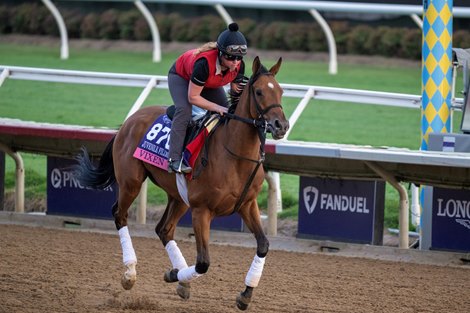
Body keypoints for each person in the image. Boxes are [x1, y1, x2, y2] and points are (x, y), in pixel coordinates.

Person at [167, 22, 248, 173]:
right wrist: (217, 107)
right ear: (221, 53)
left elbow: (235, 92)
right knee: (185, 109)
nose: (235, 63)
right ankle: (174, 159)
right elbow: (193, 98)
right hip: (181, 77)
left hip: (210, 81)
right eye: (231, 58)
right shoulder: (203, 63)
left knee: (228, 113)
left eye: (239, 58)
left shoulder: (238, 65)